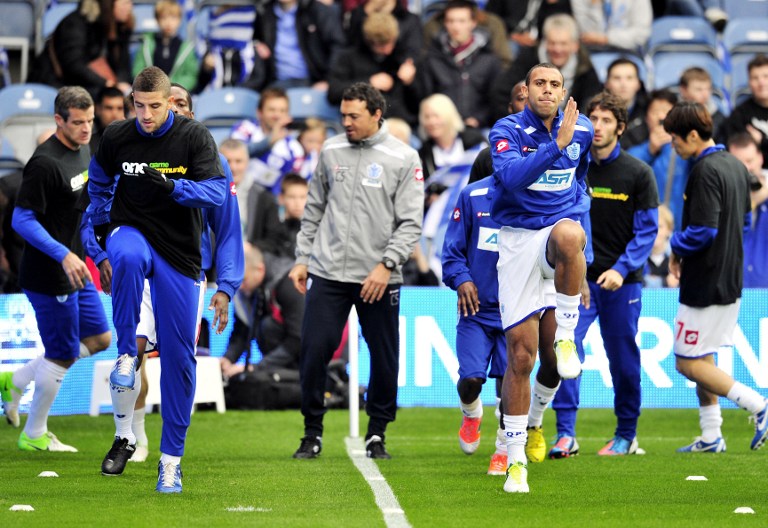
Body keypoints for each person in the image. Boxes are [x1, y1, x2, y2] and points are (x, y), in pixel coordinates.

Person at [88, 66, 227, 493]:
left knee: (181, 361)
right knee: (125, 253)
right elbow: (97, 188)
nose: (145, 114)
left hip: (181, 252)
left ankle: (171, 461)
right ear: (132, 101)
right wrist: (99, 234)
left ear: (170, 102)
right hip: (132, 231)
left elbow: (218, 193)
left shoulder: (194, 137)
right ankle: (127, 353)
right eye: (139, 105)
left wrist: (172, 187)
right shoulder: (115, 137)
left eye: (154, 106)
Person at [288, 82, 423, 460]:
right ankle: (311, 432)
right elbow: (313, 209)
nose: (345, 122)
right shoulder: (331, 151)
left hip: (379, 276)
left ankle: (377, 432)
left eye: (353, 116)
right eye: (343, 115)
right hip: (329, 271)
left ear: (377, 114)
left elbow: (411, 222)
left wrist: (387, 265)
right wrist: (303, 258)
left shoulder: (404, 157)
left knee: (384, 357)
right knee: (314, 350)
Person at [489, 62, 594, 493]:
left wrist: (582, 264)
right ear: (527, 90)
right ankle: (514, 461)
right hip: (516, 241)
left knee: (572, 232)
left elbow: (580, 183)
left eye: (555, 84)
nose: (547, 90)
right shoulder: (507, 129)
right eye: (539, 84)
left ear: (563, 90)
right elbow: (512, 179)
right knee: (520, 357)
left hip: (556, 238)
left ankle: (566, 335)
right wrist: (556, 146)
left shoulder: (582, 130)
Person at [0, 87, 111, 450]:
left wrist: (96, 253)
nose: (86, 129)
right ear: (58, 120)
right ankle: (34, 435)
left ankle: (16, 380)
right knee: (61, 352)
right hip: (48, 274)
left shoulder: (85, 149)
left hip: (77, 267)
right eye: (77, 122)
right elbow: (21, 219)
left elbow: (80, 210)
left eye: (90, 121)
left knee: (99, 338)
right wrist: (63, 253)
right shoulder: (45, 163)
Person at [550, 91, 659, 459]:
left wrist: (621, 268)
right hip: (575, 282)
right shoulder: (572, 166)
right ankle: (565, 434)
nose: (597, 127)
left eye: (606, 120)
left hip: (620, 284)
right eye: (592, 119)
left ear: (621, 127)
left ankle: (626, 434)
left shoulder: (639, 173)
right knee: (566, 353)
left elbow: (647, 232)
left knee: (624, 361)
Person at [662, 101, 768, 453]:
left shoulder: (705, 170)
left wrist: (674, 244)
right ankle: (711, 435)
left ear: (693, 135)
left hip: (707, 279)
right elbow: (743, 219)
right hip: (730, 275)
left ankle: (758, 404)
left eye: (676, 139)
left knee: (686, 361)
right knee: (703, 356)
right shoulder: (736, 166)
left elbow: (703, 232)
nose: (673, 146)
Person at [441, 170, 509, 475]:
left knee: (512, 386)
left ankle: (504, 449)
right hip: (476, 310)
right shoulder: (472, 196)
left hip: (517, 311)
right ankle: (471, 413)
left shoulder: (538, 199)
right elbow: (452, 252)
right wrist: (462, 280)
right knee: (470, 380)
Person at [489, 13, 601, 124]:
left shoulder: (585, 67)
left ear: (575, 46)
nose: (557, 49)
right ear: (545, 43)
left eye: (563, 44)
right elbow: (500, 92)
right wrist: (514, 125)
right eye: (552, 43)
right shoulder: (528, 58)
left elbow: (590, 105)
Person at [416, 0, 501, 129]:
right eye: (450, 21)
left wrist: (478, 119)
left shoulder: (489, 60)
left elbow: (495, 99)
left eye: (461, 21)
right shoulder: (432, 59)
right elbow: (426, 97)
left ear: (473, 23)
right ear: (445, 23)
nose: (456, 27)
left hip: (480, 128)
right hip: (441, 127)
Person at [222, 244, 303, 376]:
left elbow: (298, 338)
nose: (240, 287)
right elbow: (242, 330)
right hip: (281, 357)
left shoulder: (289, 282)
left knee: (268, 327)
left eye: (244, 281)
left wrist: (257, 367)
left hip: (305, 357)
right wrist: (228, 359)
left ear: (260, 269)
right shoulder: (247, 290)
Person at [328, 12, 420, 127]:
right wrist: (368, 83)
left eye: (391, 43)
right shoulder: (348, 58)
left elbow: (417, 101)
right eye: (382, 45)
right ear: (369, 42)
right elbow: (333, 93)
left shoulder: (401, 57)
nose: (388, 50)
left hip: (398, 121)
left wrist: (410, 82)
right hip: (363, 123)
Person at [29, 0, 134, 98]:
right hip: (57, 82)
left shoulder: (119, 27)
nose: (129, 7)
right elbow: (73, 65)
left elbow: (122, 65)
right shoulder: (75, 24)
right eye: (125, 3)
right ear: (109, 4)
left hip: (90, 84)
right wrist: (107, 84)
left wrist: (120, 84)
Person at [627, 89, 690, 231]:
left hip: (677, 228)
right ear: (647, 117)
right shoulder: (633, 141)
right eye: (655, 112)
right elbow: (627, 168)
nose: (661, 117)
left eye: (667, 112)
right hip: (640, 226)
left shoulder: (686, 150)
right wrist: (649, 149)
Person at [250, 0, 346, 91]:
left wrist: (329, 81)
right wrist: (257, 44)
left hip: (314, 82)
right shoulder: (264, 11)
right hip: (275, 83)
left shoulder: (316, 10)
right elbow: (255, 41)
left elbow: (338, 46)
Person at [230, 87, 305, 195]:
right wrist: (269, 141)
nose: (277, 115)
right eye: (272, 110)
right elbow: (234, 153)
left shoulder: (295, 149)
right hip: (238, 195)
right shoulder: (244, 129)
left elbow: (290, 187)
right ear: (259, 112)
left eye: (282, 111)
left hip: (271, 205)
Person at [417, 94, 488, 183]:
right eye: (427, 117)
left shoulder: (475, 141)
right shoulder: (423, 153)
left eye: (436, 116)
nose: (431, 122)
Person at [727, 133, 768, 288]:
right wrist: (751, 202)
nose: (746, 168)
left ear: (761, 158)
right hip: (734, 286)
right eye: (739, 162)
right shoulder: (723, 192)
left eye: (750, 161)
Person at [131, 0, 199, 91]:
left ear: (180, 20)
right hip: (149, 92)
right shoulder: (147, 43)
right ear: (157, 20)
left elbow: (191, 76)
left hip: (175, 93)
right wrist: (150, 84)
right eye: (163, 18)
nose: (168, 22)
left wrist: (172, 87)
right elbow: (138, 70)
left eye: (173, 18)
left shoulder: (187, 47)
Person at [720, 54, 768, 169]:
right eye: (755, 78)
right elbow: (731, 149)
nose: (761, 83)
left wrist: (762, 141)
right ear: (749, 82)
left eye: (766, 76)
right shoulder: (740, 113)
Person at [570, 0, 652, 54]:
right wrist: (595, 7)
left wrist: (607, 38)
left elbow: (641, 34)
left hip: (630, 51)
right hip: (593, 52)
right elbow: (587, 35)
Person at [604, 58, 649, 149]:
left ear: (638, 84)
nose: (623, 84)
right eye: (617, 78)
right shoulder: (594, 110)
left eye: (629, 78)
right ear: (607, 84)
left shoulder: (649, 108)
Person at [644, 204, 678, 288]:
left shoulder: (678, 257)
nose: (655, 232)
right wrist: (665, 281)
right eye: (651, 226)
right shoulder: (637, 257)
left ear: (669, 230)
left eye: (660, 226)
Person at [90, 86, 126, 152]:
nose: (114, 114)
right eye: (109, 108)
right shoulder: (87, 143)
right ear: (98, 109)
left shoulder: (134, 141)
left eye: (120, 108)